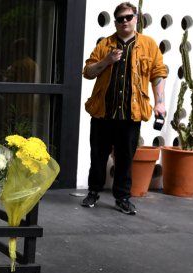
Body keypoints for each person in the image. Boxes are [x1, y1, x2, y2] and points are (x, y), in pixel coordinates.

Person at [81, 2, 167, 215]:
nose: (125, 21)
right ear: (115, 22)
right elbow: (88, 72)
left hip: (131, 115)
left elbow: (158, 73)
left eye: (128, 17)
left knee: (125, 158)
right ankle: (93, 191)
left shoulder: (148, 44)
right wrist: (106, 61)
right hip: (103, 113)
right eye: (120, 19)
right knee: (98, 156)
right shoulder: (105, 44)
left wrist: (160, 102)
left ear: (136, 18)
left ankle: (122, 198)